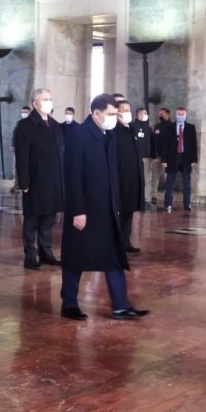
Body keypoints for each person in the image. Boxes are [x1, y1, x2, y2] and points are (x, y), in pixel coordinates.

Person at [59, 93, 150, 321]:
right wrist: (78, 211)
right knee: (75, 257)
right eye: (111, 114)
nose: (114, 118)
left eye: (116, 114)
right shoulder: (78, 135)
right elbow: (72, 178)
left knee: (113, 257)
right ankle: (69, 303)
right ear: (97, 113)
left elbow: (112, 174)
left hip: (106, 209)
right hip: (85, 210)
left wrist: (116, 205)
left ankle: (121, 305)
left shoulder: (108, 136)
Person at [13, 88, 64, 270]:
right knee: (32, 221)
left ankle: (46, 252)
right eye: (45, 99)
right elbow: (22, 156)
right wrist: (24, 182)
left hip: (53, 181)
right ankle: (30, 255)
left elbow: (60, 154)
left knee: (49, 220)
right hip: (35, 181)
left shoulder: (55, 125)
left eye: (50, 98)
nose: (49, 102)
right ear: (35, 104)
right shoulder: (26, 126)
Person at [116, 99, 144, 252]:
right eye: (124, 109)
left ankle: (125, 241)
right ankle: (115, 242)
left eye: (128, 109)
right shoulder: (114, 130)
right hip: (121, 177)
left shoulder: (131, 129)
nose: (127, 112)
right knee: (119, 211)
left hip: (133, 176)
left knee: (128, 210)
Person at [162, 107, 198, 212]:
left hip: (186, 158)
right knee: (170, 182)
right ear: (175, 114)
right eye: (179, 114)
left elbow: (193, 144)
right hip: (173, 157)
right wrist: (164, 159)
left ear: (185, 115)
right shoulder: (169, 127)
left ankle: (187, 204)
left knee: (187, 182)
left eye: (182, 114)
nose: (180, 116)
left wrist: (194, 159)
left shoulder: (191, 128)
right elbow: (165, 144)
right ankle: (168, 204)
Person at [132, 107, 154, 211]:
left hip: (146, 157)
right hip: (134, 157)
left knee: (147, 179)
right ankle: (135, 198)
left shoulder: (148, 128)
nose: (144, 115)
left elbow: (152, 143)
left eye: (145, 113)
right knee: (135, 179)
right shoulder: (132, 126)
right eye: (142, 113)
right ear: (138, 115)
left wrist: (154, 156)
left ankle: (147, 199)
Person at [150, 107, 171, 207]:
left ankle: (168, 196)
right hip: (157, 156)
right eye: (159, 114)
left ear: (168, 114)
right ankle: (153, 196)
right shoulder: (157, 126)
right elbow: (153, 141)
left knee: (168, 177)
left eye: (162, 113)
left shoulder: (172, 126)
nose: (160, 115)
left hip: (167, 157)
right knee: (154, 177)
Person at [10, 105, 31, 194]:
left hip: (29, 150)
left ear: (29, 113)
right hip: (19, 149)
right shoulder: (19, 123)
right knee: (16, 167)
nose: (24, 114)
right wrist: (13, 145)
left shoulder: (32, 123)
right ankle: (16, 184)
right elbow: (15, 134)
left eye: (25, 112)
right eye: (22, 112)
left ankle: (27, 183)